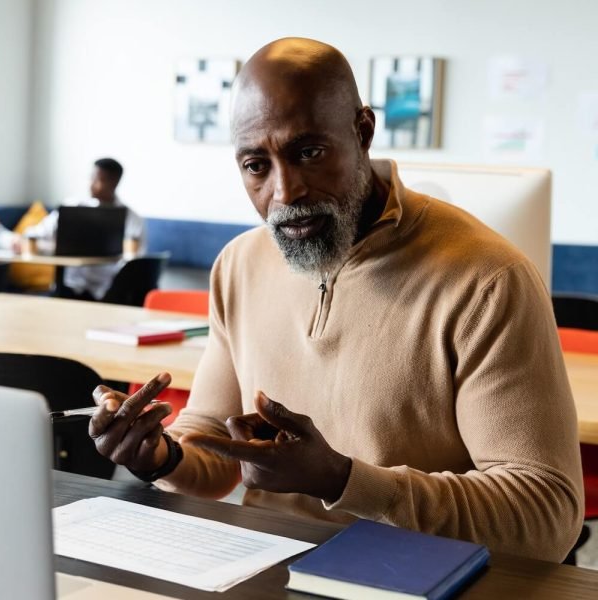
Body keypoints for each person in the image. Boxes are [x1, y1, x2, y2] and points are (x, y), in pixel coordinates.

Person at [86, 38, 583, 562]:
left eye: (309, 153)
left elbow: (546, 516)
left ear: (363, 132)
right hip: (268, 569)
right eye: (257, 165)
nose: (285, 192)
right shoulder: (238, 265)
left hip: (420, 576)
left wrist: (344, 479)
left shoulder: (487, 279)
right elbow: (212, 449)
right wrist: (157, 455)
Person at [24, 158, 146, 300]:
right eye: (91, 179)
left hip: (109, 291)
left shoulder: (131, 219)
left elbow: (134, 261)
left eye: (98, 180)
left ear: (114, 182)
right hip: (70, 286)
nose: (92, 185)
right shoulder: (73, 208)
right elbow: (36, 233)